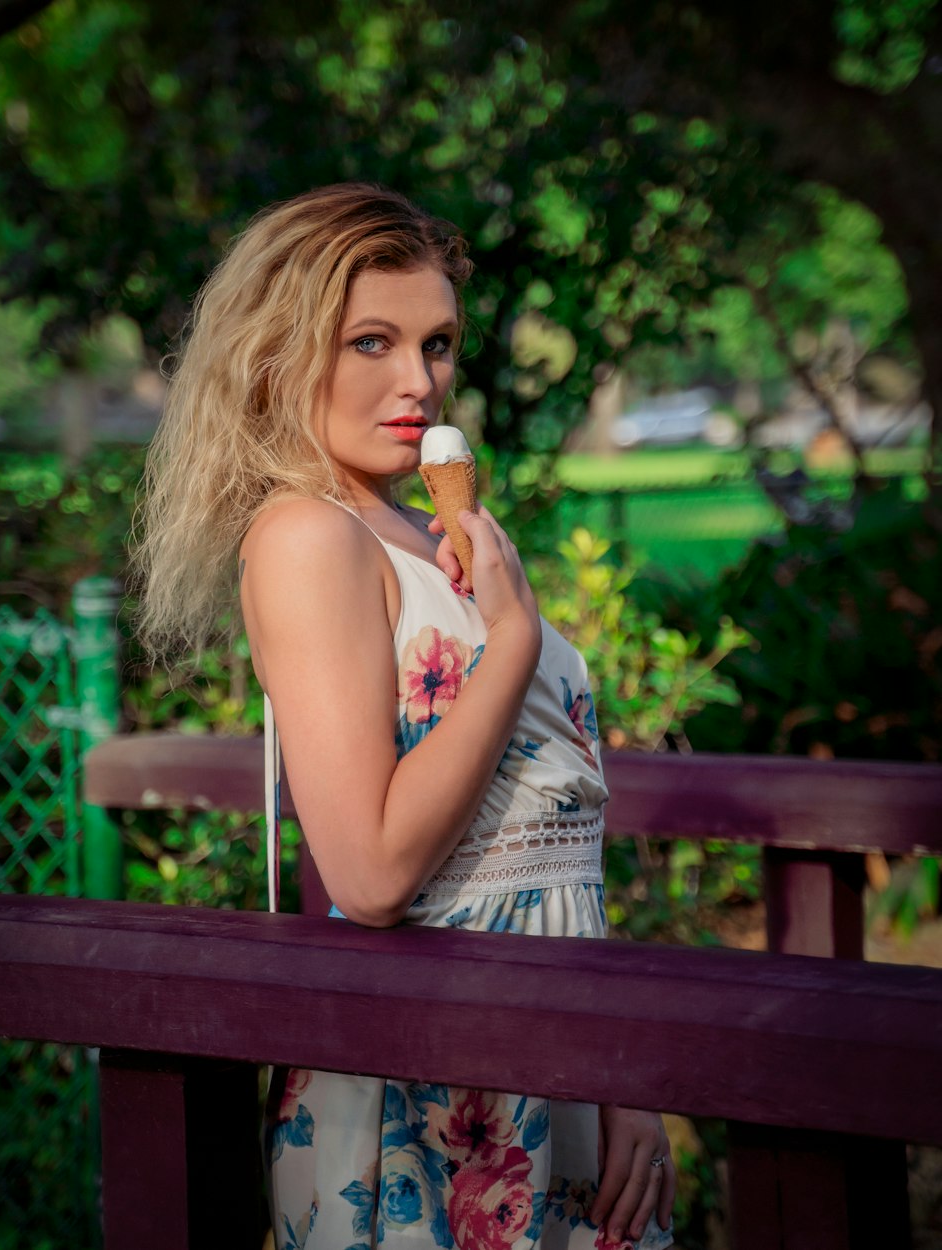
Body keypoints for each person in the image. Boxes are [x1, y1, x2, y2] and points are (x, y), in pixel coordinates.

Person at [135, 182, 675, 1250]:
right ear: (278, 356)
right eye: (370, 341)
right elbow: (373, 871)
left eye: (436, 343)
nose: (417, 381)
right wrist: (512, 643)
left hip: (556, 1045)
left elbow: (549, 841)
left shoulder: (428, 528)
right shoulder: (307, 536)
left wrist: (625, 1072)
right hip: (428, 1086)